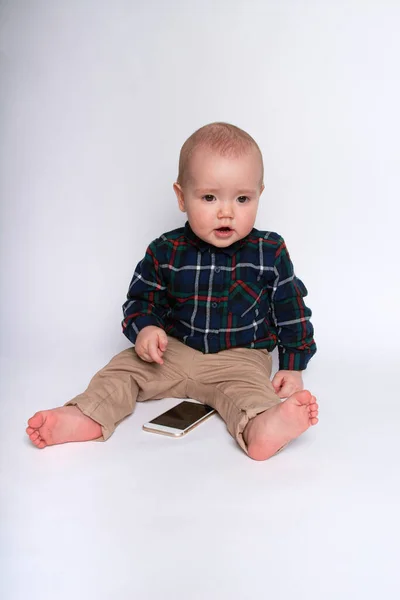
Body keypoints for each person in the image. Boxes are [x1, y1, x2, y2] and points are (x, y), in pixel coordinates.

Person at [26, 122, 318, 461]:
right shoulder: (165, 250)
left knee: (251, 394)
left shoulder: (270, 251)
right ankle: (87, 414)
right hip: (173, 353)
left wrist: (293, 365)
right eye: (209, 197)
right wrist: (146, 329)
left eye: (242, 198)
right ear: (181, 197)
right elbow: (141, 299)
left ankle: (263, 428)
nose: (226, 211)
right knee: (122, 369)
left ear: (259, 194)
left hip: (239, 358)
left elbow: (291, 308)